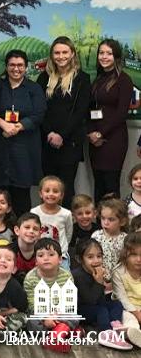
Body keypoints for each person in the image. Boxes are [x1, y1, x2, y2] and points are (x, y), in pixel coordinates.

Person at [0, 49, 47, 216]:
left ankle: (23, 232)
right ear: (6, 67)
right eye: (12, 65)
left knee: (22, 195)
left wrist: (18, 126)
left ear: (26, 67)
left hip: (24, 147)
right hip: (1, 145)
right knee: (0, 195)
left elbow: (39, 114)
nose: (16, 69)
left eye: (20, 65)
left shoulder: (34, 88)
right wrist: (2, 124)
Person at [37, 37, 91, 209]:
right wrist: (50, 133)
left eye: (65, 52)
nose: (61, 56)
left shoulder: (82, 79)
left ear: (72, 53)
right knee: (48, 188)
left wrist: (62, 135)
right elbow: (39, 109)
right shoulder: (44, 77)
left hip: (70, 143)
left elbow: (80, 112)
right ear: (52, 55)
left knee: (65, 188)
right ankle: (46, 230)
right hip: (48, 141)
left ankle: (67, 231)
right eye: (57, 53)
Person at [88, 39, 134, 200]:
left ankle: (114, 224)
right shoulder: (98, 79)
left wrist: (100, 133)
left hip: (113, 140)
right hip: (94, 140)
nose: (104, 57)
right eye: (101, 53)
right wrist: (91, 133)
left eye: (109, 53)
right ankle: (100, 224)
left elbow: (121, 113)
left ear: (117, 57)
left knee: (110, 185)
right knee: (98, 184)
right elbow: (90, 109)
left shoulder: (124, 79)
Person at [72, 239, 131, 350]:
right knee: (101, 310)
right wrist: (99, 282)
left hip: (95, 304)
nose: (96, 260)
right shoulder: (78, 275)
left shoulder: (97, 271)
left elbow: (100, 297)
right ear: (80, 259)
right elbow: (90, 300)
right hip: (81, 310)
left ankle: (115, 326)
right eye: (90, 257)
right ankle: (106, 334)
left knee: (116, 303)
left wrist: (101, 283)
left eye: (99, 256)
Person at [23, 238, 79, 353]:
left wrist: (56, 314)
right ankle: (64, 332)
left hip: (60, 311)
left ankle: (54, 337)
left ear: (59, 259)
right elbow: (32, 303)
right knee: (31, 322)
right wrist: (45, 317)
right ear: (36, 261)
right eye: (41, 255)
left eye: (51, 254)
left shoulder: (66, 275)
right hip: (40, 312)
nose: (46, 258)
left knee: (74, 315)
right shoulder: (30, 278)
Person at [30, 176, 74, 269]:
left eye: (55, 191)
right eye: (47, 191)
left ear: (61, 195)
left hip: (61, 256)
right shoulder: (34, 212)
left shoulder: (66, 214)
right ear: (40, 194)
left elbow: (68, 234)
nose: (51, 194)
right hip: (40, 255)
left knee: (64, 281)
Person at [112, 232, 141, 347]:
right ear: (125, 254)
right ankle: (134, 334)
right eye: (134, 255)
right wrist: (137, 314)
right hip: (126, 308)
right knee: (130, 321)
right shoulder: (119, 272)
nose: (139, 259)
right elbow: (122, 298)